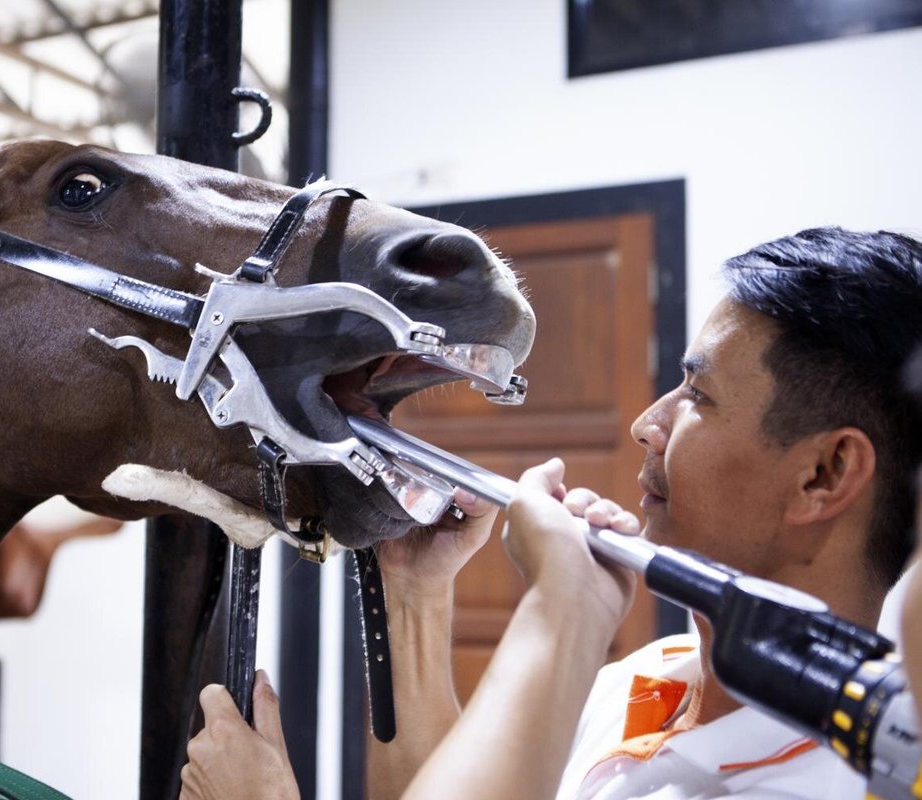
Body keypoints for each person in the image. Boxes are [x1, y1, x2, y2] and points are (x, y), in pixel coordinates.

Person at [178, 228, 922, 800]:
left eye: (698, 395)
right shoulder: (649, 678)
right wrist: (415, 593)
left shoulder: (824, 783)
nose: (648, 424)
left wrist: (564, 610)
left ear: (825, 474)